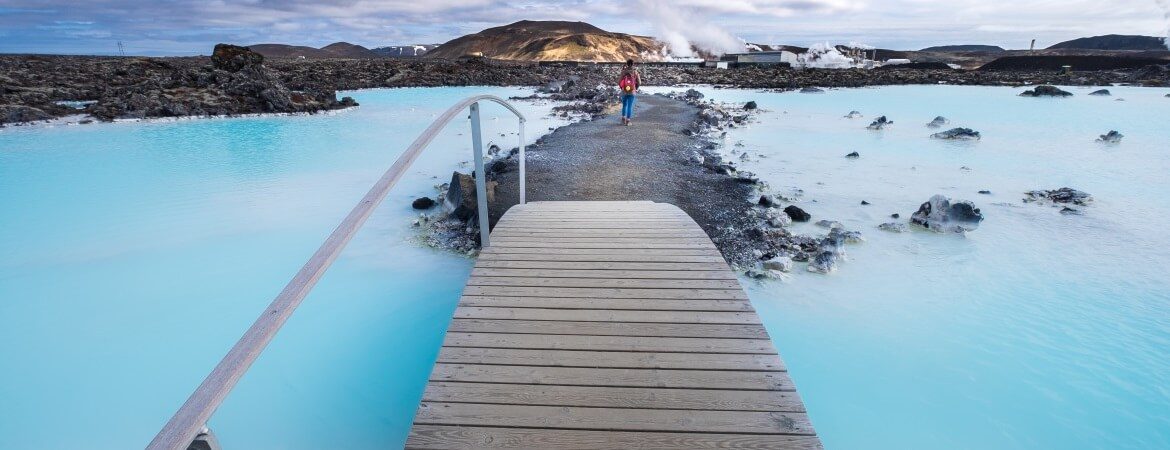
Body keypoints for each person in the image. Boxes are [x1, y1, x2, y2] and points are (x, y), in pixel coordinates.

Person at [618, 59, 641, 126]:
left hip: (624, 91)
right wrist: (635, 88)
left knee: (624, 105)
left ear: (627, 64)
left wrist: (622, 88)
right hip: (632, 91)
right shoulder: (635, 72)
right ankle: (628, 121)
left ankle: (623, 119)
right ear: (633, 64)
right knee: (629, 106)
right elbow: (639, 82)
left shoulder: (623, 71)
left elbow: (619, 82)